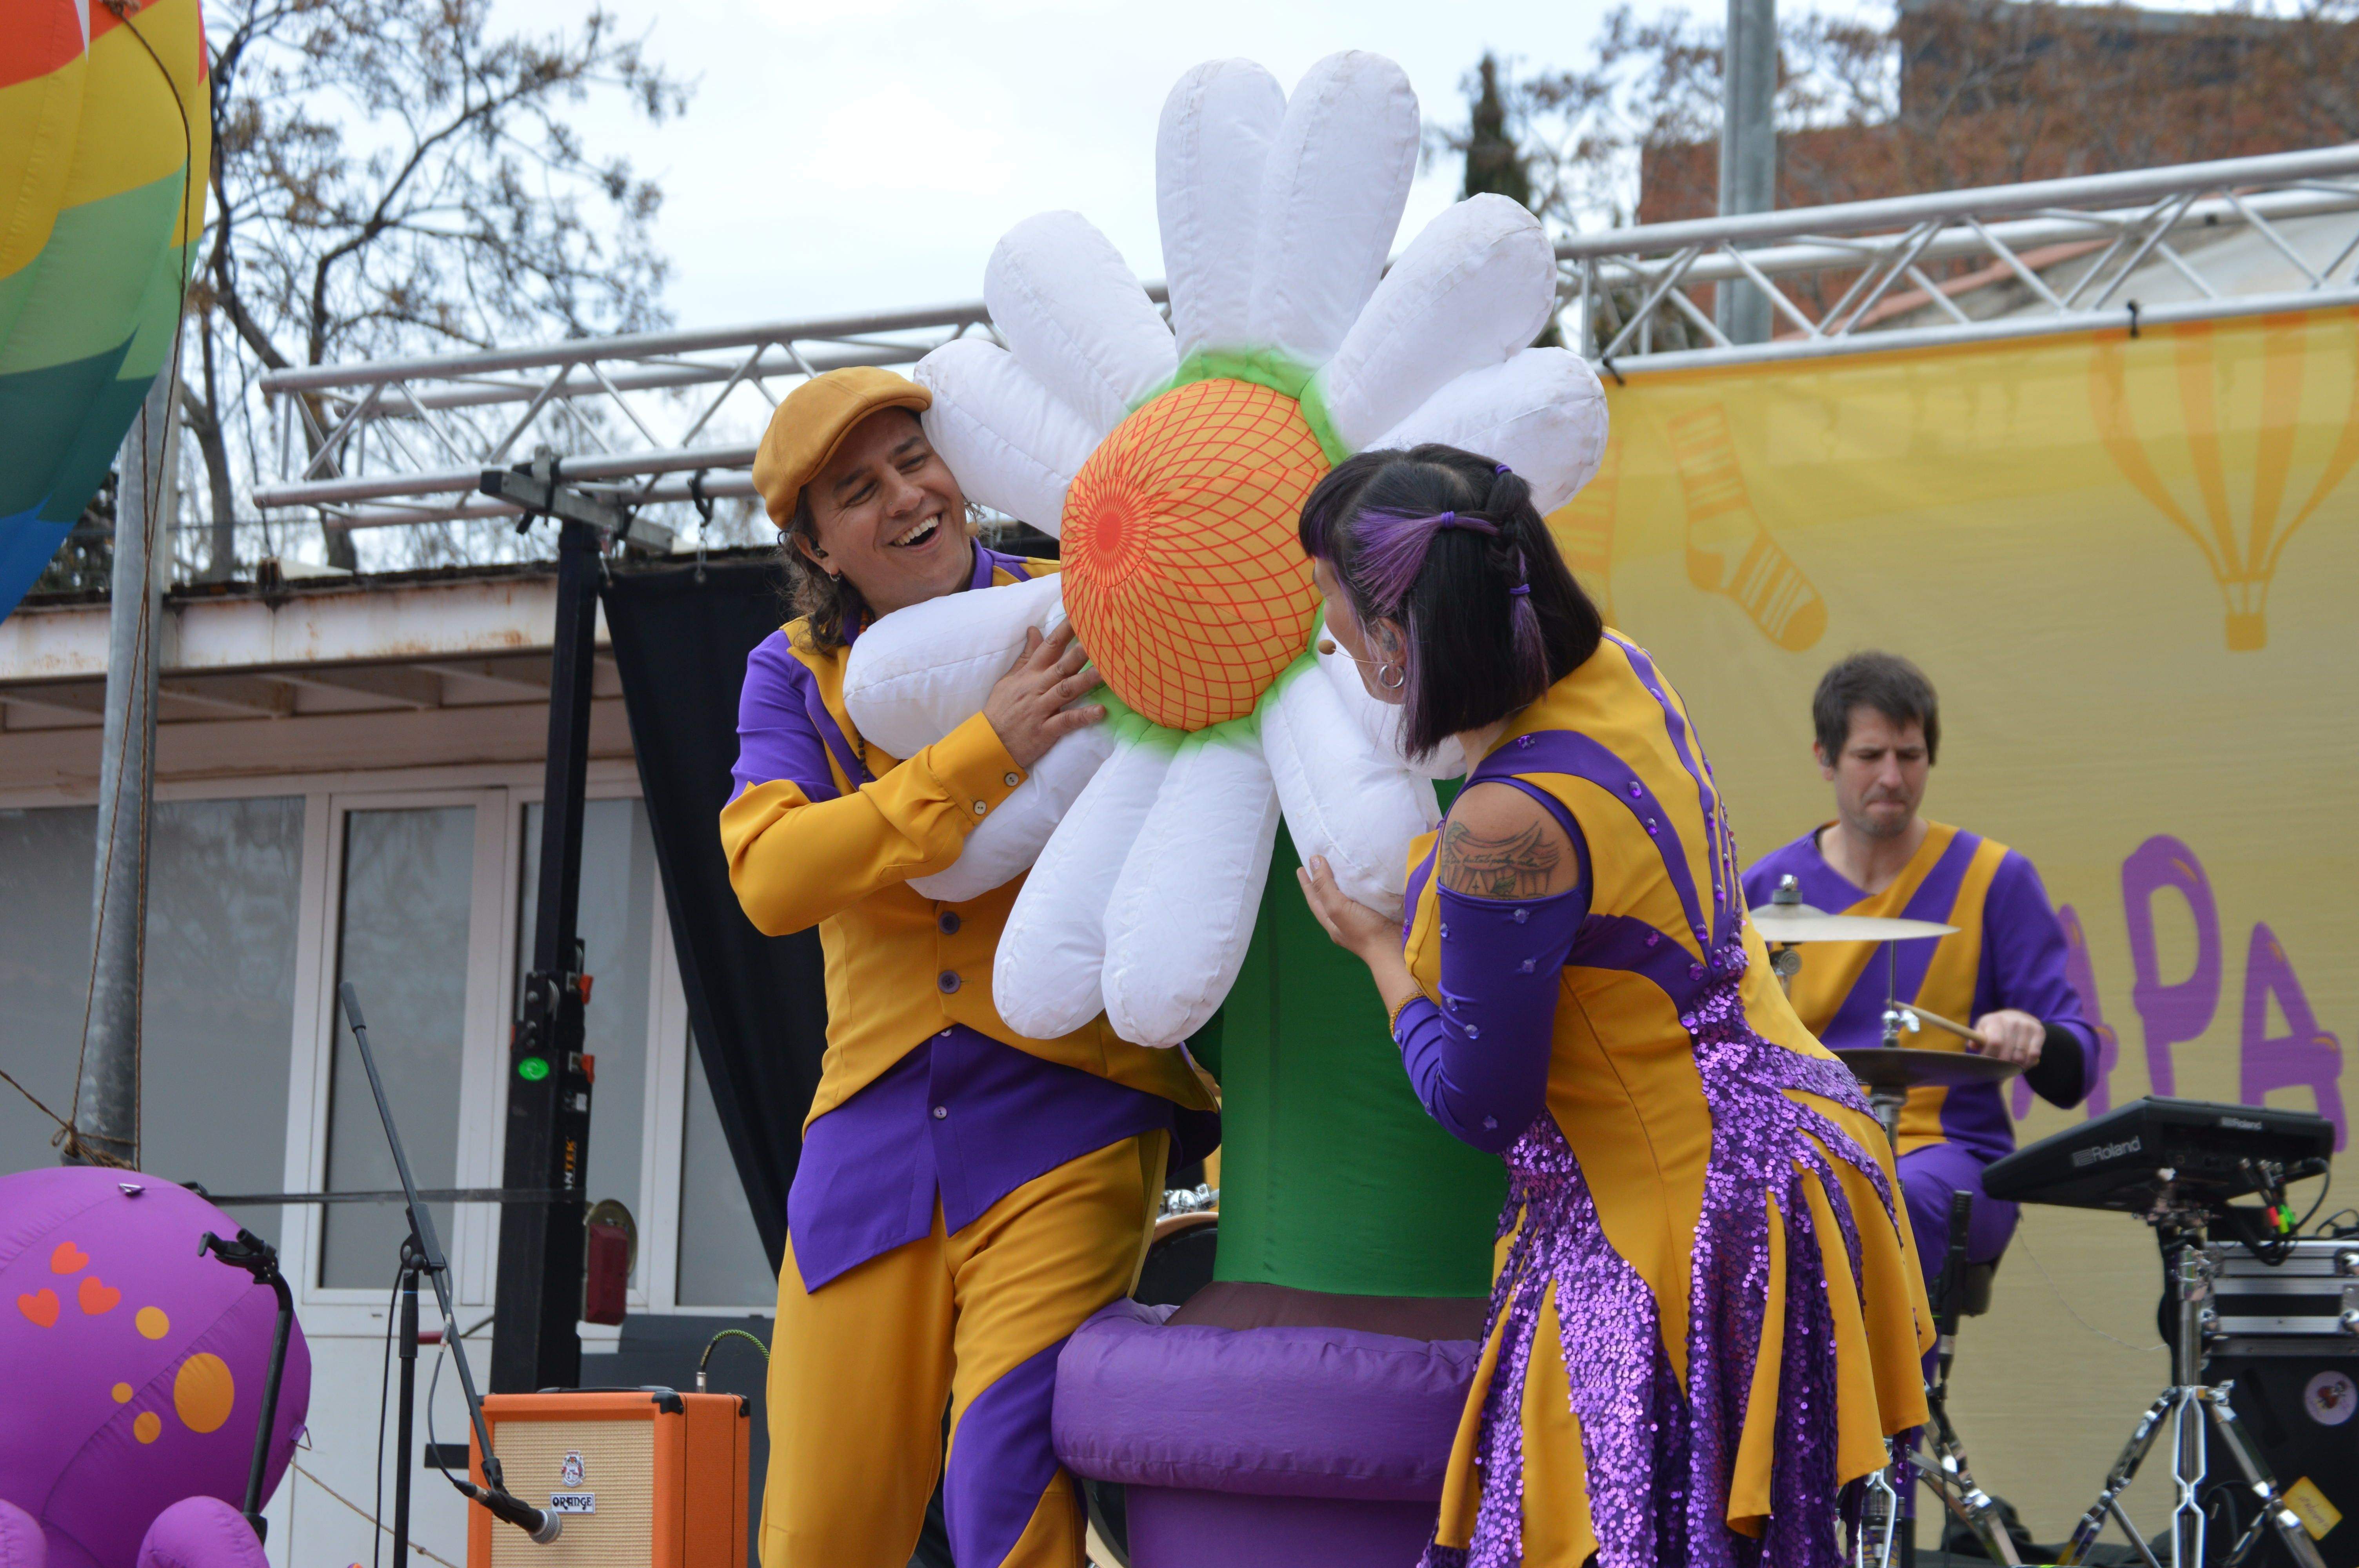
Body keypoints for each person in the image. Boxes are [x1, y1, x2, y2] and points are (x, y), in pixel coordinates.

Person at [1294, 444, 1930, 1568]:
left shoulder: (1506, 827)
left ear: (1404, 640)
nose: (1332, 647)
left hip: (1673, 1232)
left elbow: (1482, 1103)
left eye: (1337, 623)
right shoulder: (1625, 670)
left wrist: (1384, 956)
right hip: (1791, 1161)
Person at [722, 366, 1218, 1568]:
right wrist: (981, 753)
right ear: (816, 544)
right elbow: (772, 877)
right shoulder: (794, 672)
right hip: (871, 1134)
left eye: (915, 461)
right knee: (819, 1524)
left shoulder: (1081, 605)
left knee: (1007, 1486)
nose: (907, 496)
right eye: (858, 489)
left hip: (1069, 1104)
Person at [1741, 652, 2099, 1285]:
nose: (1892, 777)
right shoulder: (1765, 892)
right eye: (1869, 756)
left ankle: (1890, 1388)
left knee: (1885, 1199)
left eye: (1909, 756)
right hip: (1802, 1152)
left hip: (1947, 1156)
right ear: (1825, 758)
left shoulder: (1996, 879)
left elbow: (2077, 1066)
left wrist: (2034, 1035)